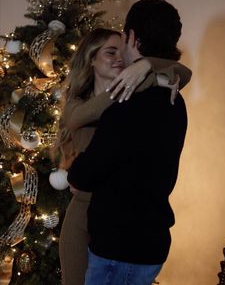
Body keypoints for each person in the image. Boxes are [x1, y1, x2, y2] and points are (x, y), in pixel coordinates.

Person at [60, 22, 191, 285]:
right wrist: (145, 70)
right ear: (91, 59)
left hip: (114, 222)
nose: (120, 58)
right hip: (81, 216)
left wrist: (147, 69)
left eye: (123, 52)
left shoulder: (130, 103)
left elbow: (182, 74)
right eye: (110, 52)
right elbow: (81, 118)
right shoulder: (78, 104)